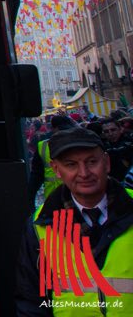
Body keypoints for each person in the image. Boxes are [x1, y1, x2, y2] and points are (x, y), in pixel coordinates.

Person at [16, 126, 133, 313]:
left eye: (92, 162)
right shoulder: (39, 227)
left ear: (107, 163)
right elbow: (32, 300)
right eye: (71, 165)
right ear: (57, 169)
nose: (84, 173)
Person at [29, 113, 74, 209]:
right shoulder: (43, 146)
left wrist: (30, 196)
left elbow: (36, 176)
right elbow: (36, 176)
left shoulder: (43, 146)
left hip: (58, 197)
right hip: (59, 198)